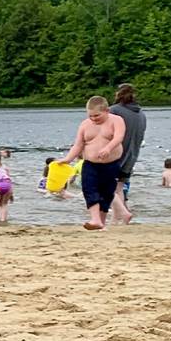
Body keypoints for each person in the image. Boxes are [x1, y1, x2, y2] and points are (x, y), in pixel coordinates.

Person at [62, 96, 127, 231]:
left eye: (97, 116)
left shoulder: (117, 121)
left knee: (107, 192)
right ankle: (95, 219)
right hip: (90, 163)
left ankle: (101, 223)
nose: (94, 119)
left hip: (111, 164)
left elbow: (119, 137)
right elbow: (78, 145)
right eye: (91, 116)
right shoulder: (85, 124)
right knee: (89, 189)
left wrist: (108, 148)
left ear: (107, 110)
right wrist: (67, 159)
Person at [107, 83, 146, 225]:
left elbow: (104, 133)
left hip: (115, 155)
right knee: (119, 188)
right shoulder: (141, 114)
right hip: (132, 156)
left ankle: (123, 213)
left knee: (104, 184)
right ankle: (117, 219)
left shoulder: (114, 111)